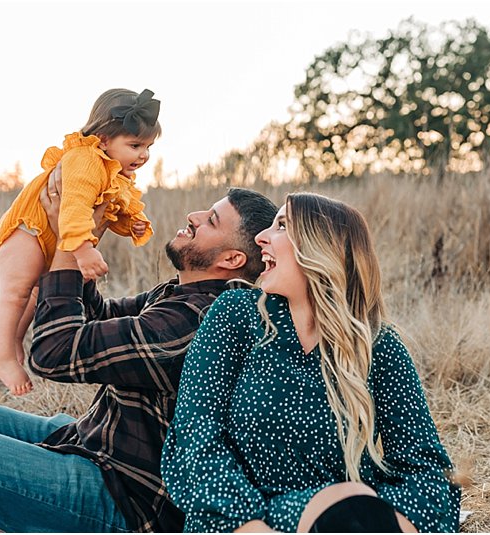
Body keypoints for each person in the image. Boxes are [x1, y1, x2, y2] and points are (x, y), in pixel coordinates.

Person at [0, 182, 278, 532]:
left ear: (231, 258)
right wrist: (81, 230)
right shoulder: (182, 295)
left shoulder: (195, 321)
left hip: (127, 495)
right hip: (102, 444)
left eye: (211, 221)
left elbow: (56, 352)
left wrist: (67, 246)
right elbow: (99, 320)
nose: (193, 217)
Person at [161, 192, 462, 533]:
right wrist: (252, 526)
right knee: (345, 501)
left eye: (282, 227)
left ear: (321, 249)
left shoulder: (376, 345)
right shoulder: (235, 316)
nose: (261, 238)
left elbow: (426, 467)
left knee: (349, 504)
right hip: (236, 520)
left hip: (348, 518)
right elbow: (196, 436)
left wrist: (393, 523)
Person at [0, 88, 160, 395]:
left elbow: (108, 210)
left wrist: (129, 222)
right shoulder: (85, 160)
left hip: (50, 236)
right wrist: (83, 250)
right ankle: (0, 358)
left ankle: (13, 342)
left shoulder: (114, 173)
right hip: (27, 230)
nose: (143, 155)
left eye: (148, 147)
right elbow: (75, 208)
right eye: (135, 145)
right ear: (104, 139)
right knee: (16, 292)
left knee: (34, 293)